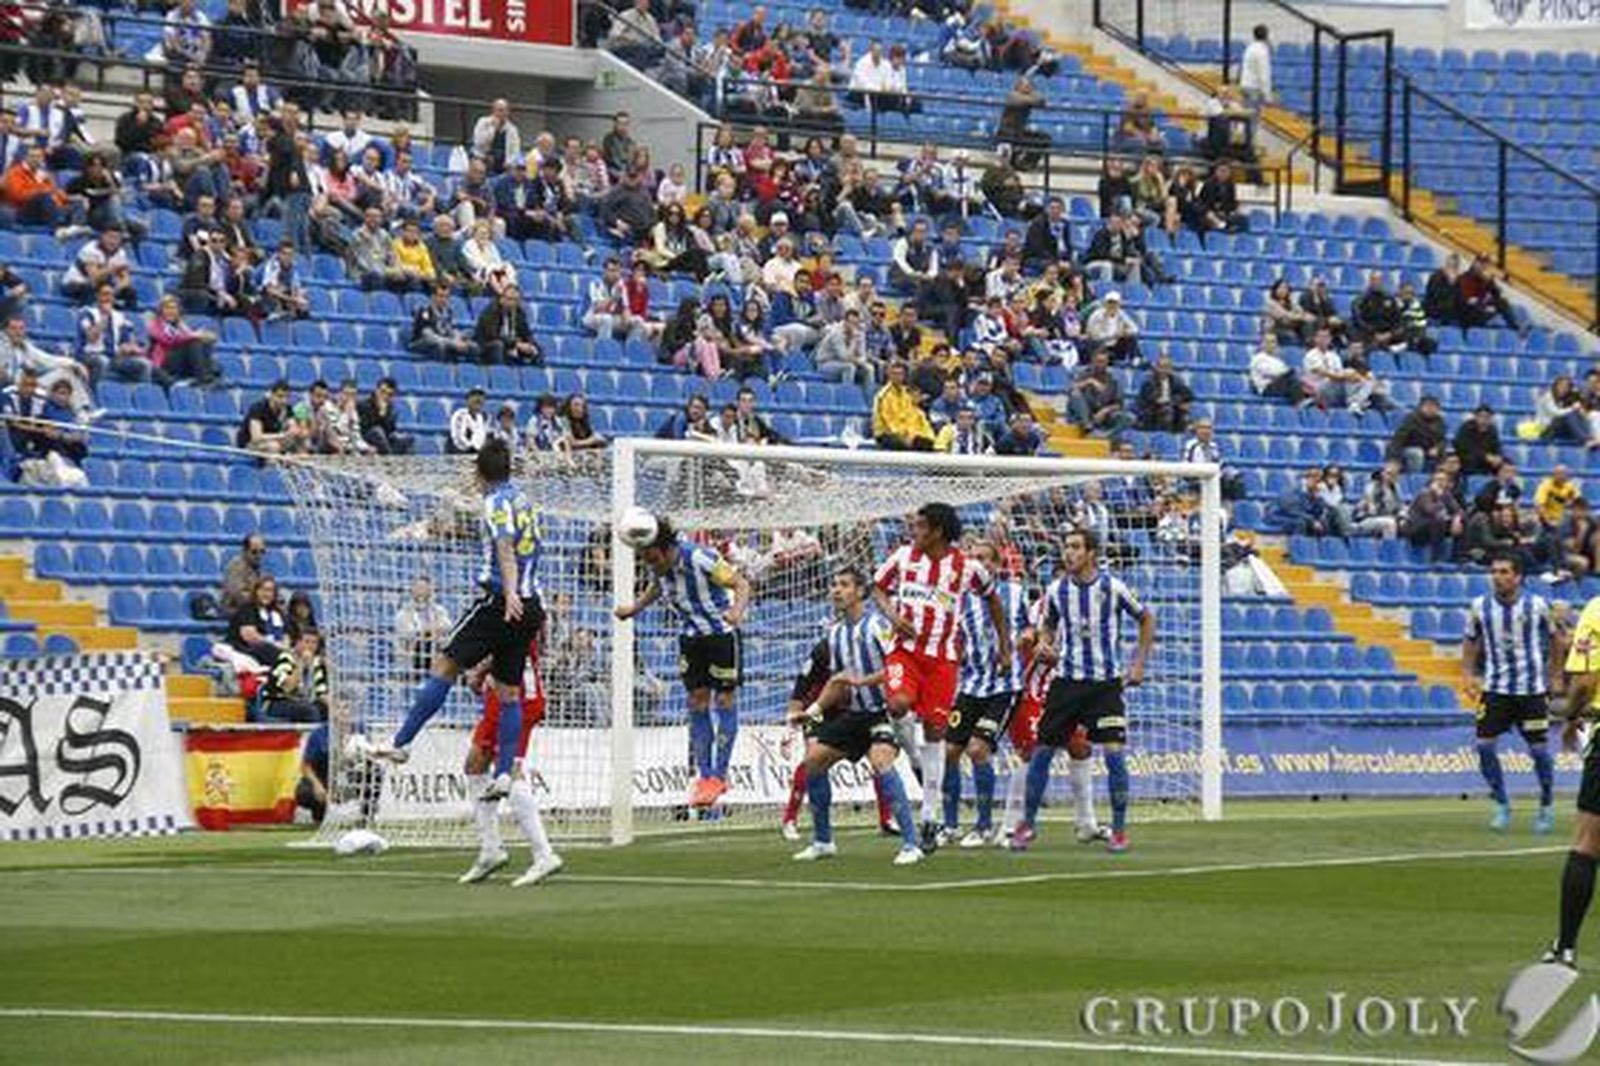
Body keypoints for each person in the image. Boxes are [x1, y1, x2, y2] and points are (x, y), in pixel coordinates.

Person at [356, 440, 545, 801]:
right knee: (508, 692)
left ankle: (402, 743)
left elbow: (504, 547)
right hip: (531, 605)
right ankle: (505, 773)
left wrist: (508, 593)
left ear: (480, 473)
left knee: (444, 664)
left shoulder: (495, 503)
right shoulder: (525, 501)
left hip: (500, 602)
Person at [872, 502, 1011, 854]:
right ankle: (913, 755)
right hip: (904, 650)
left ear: (936, 531)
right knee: (898, 702)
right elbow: (878, 588)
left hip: (943, 661)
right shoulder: (903, 557)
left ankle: (930, 814)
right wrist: (891, 614)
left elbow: (994, 600)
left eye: (919, 526)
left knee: (936, 732)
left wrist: (1004, 647)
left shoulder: (967, 568)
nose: (913, 532)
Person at [1012, 528, 1154, 854]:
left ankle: (1118, 831)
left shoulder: (1113, 588)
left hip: (1104, 686)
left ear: (1091, 553)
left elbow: (1146, 619)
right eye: (1066, 547)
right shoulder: (1057, 590)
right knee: (1042, 752)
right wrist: (1046, 644)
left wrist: (1138, 665)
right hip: (1066, 684)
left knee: (1115, 754)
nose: (1069, 553)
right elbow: (1047, 625)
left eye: (1076, 547)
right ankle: (1027, 825)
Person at [615, 513, 752, 809]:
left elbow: (741, 584)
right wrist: (634, 608)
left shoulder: (699, 557)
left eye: (652, 558)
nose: (650, 564)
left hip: (721, 635)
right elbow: (657, 585)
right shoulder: (659, 563)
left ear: (665, 549)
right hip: (690, 638)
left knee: (724, 701)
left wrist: (737, 612)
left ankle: (720, 774)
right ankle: (705, 778)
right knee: (696, 702)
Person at [786, 567, 922, 865]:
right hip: (856, 714)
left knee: (881, 762)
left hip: (885, 713)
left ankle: (912, 843)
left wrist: (863, 682)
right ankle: (823, 841)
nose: (836, 590)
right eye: (834, 585)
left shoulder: (877, 626)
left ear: (861, 592)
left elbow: (899, 669)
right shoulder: (834, 634)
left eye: (844, 585)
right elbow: (838, 684)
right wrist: (810, 713)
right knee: (813, 761)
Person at [456, 633, 565, 888]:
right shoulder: (523, 603)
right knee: (475, 765)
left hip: (515, 695)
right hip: (510, 690)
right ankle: (491, 849)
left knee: (509, 770)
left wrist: (480, 672)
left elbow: (507, 643)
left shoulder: (512, 605)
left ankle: (543, 854)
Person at [1463, 554, 1562, 835]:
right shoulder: (1479, 607)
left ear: (1518, 577)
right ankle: (1501, 802)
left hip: (1531, 692)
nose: (1498, 576)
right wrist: (1468, 675)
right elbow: (1470, 640)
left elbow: (1557, 639)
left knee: (1539, 751)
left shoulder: (1538, 606)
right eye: (1495, 571)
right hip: (1496, 690)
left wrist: (1554, 675)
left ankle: (1545, 804)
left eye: (1504, 571)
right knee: (1483, 746)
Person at [940, 541, 1030, 848]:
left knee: (977, 749)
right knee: (949, 752)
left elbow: (1032, 629)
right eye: (972, 559)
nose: (977, 564)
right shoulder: (959, 600)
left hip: (1004, 687)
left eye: (983, 559)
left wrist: (1024, 641)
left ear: (995, 565)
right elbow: (956, 639)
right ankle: (950, 824)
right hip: (971, 686)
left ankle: (983, 825)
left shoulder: (1015, 593)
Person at [259, 629, 329, 723]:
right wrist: (301, 665)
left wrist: (335, 707)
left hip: (301, 702)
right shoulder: (286, 658)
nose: (310, 646)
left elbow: (321, 692)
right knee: (309, 710)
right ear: (298, 643)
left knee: (326, 710)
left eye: (314, 643)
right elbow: (288, 687)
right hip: (277, 702)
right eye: (307, 642)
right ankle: (313, 737)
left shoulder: (315, 664)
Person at [226, 574, 287, 673]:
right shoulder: (247, 609)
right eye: (263, 590)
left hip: (272, 649)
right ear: (256, 591)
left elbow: (286, 635)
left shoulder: (277, 612)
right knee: (271, 651)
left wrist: (285, 646)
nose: (266, 594)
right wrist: (274, 644)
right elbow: (250, 637)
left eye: (270, 590)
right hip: (246, 649)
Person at [871, 359, 934, 451]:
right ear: (889, 375)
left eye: (900, 374)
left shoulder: (906, 394)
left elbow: (911, 416)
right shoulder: (883, 395)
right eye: (894, 374)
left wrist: (912, 434)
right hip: (886, 433)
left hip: (906, 432)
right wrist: (902, 436)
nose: (897, 377)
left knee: (926, 443)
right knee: (902, 444)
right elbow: (888, 421)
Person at [1386, 395, 1447, 473]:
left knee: (1448, 455)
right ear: (1421, 407)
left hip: (1428, 450)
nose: (1430, 409)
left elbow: (1443, 440)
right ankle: (1415, 477)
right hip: (1408, 448)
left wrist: (1438, 448)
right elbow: (1399, 438)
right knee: (1417, 453)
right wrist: (1395, 457)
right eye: (1428, 406)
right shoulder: (1412, 419)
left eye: (1434, 406)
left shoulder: (1439, 421)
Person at [1134, 351, 1192, 432]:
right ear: (1157, 368)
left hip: (1171, 408)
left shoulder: (1175, 380)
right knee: (1166, 410)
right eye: (1162, 367)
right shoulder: (1149, 381)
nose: (1164, 370)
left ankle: (1177, 438)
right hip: (1151, 410)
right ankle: (1164, 435)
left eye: (1167, 367)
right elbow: (1153, 399)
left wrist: (1180, 402)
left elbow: (1188, 395)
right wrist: (1173, 401)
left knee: (1183, 413)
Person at [221, 534, 266, 615]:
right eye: (254, 552)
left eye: (262, 552)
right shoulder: (236, 566)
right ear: (245, 551)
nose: (259, 556)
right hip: (236, 611)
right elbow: (238, 595)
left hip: (254, 608)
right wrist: (262, 599)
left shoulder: (258, 568)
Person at [1455, 404, 1504, 477]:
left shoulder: (1492, 430)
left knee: (1505, 464)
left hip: (1486, 462)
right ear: (1475, 417)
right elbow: (1466, 448)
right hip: (1467, 461)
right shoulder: (1466, 428)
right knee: (1471, 460)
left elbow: (1496, 446)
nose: (1484, 420)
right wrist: (1485, 456)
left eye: (1487, 417)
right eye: (1481, 416)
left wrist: (1498, 457)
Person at [1238, 24, 1272, 109]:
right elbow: (1263, 73)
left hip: (1245, 84)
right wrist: (1267, 94)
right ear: (1266, 36)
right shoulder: (1262, 51)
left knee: (1246, 116)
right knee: (1253, 118)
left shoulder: (1249, 48)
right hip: (1254, 88)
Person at [448, 387, 490, 454]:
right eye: (474, 395)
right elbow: (459, 441)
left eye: (481, 396)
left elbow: (481, 440)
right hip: (458, 455)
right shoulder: (460, 415)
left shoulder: (482, 418)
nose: (478, 398)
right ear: (467, 400)